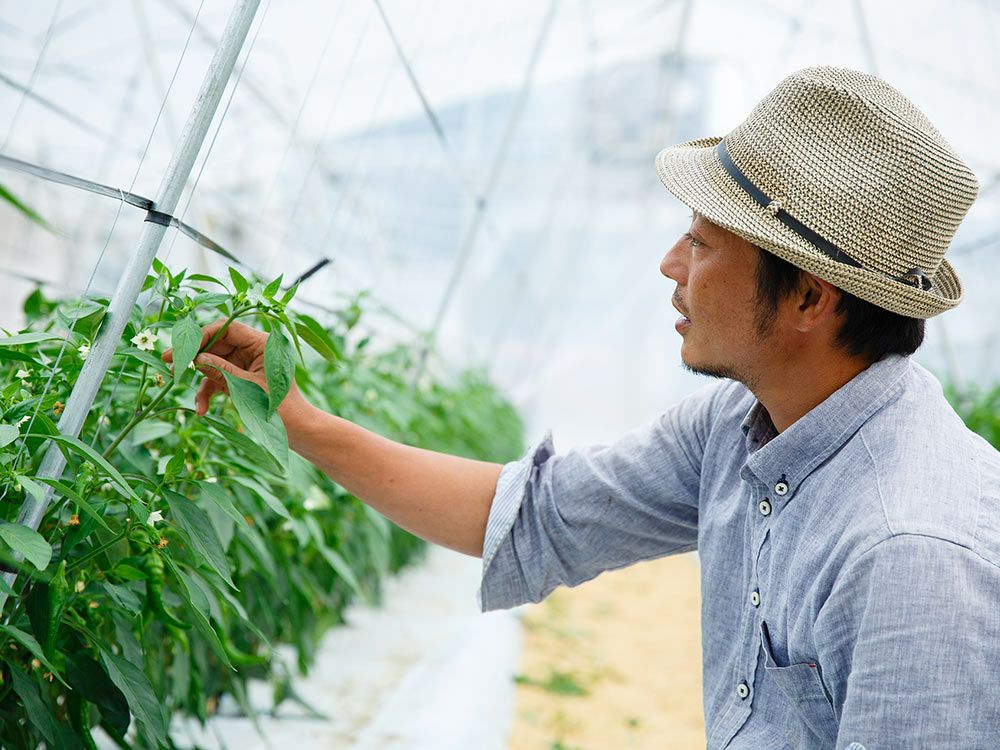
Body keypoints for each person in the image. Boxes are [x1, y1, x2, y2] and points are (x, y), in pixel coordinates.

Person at [166, 67, 1000, 748]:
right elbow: (536, 517)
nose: (671, 263)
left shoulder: (911, 557)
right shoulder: (739, 427)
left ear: (810, 299)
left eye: (703, 242)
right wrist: (297, 420)